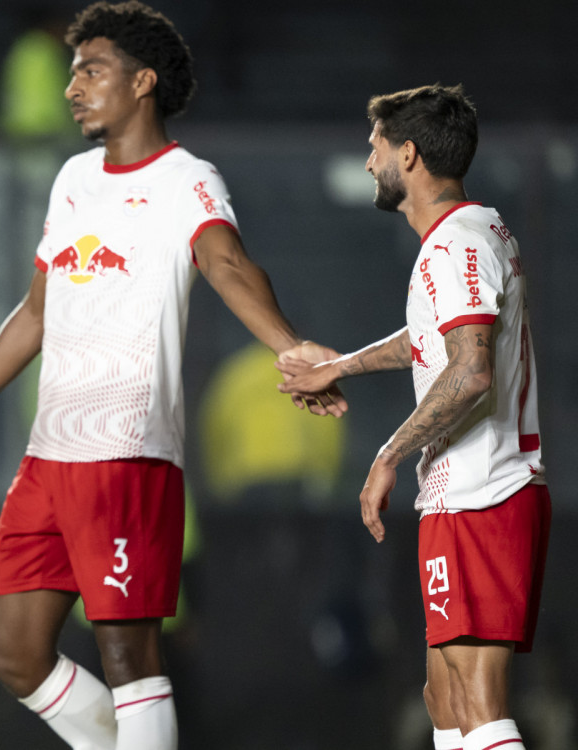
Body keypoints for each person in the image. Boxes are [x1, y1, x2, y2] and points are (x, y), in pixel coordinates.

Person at [0, 3, 342, 749]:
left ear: (143, 82)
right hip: (47, 460)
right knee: (15, 656)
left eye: (91, 71)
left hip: (126, 455)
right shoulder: (72, 178)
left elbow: (228, 265)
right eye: (71, 74)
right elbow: (35, 313)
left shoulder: (187, 179)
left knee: (128, 655)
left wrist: (291, 348)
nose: (73, 88)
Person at [278, 84, 549, 750]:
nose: (369, 162)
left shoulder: (455, 244)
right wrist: (342, 366)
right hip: (465, 496)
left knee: (478, 701)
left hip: (485, 493)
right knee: (444, 698)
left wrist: (387, 454)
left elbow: (471, 370)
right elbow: (432, 338)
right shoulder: (467, 234)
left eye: (375, 147)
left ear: (408, 154)